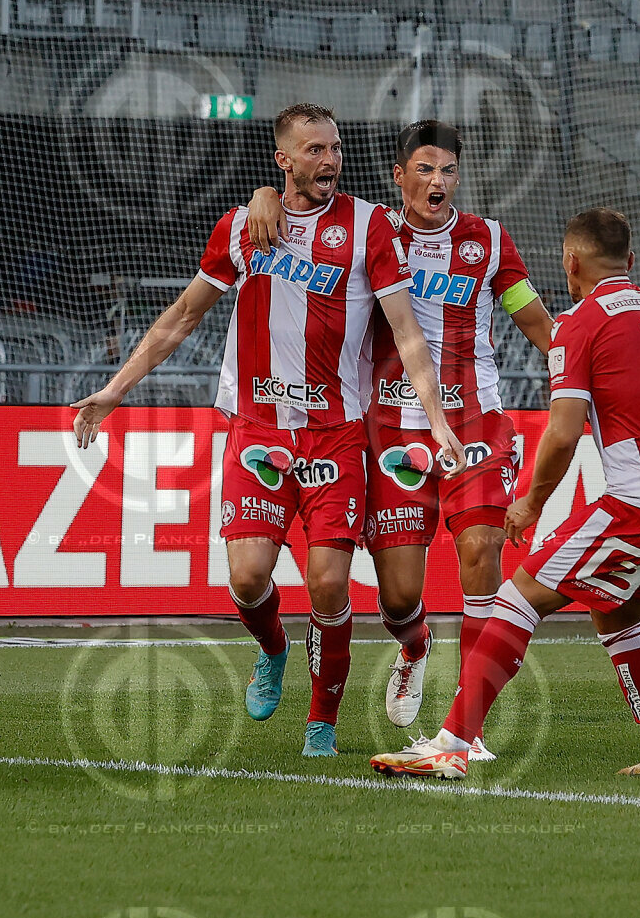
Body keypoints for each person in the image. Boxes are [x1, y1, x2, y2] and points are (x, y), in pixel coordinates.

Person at [71, 103, 465, 757]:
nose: (329, 160)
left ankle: (321, 722)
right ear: (283, 160)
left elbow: (405, 331)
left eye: (334, 147)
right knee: (249, 579)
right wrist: (116, 389)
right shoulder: (242, 227)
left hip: (335, 435)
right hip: (258, 434)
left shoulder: (368, 226)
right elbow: (181, 317)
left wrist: (439, 419)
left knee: (330, 584)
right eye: (313, 149)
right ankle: (274, 649)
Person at [368, 207, 640, 780]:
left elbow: (562, 433)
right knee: (615, 614)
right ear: (631, 263)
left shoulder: (579, 324)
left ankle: (452, 745)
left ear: (571, 264)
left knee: (516, 600)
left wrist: (531, 502)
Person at [248, 120, 553, 760]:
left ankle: (465, 730)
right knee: (400, 595)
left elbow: (531, 316)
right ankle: (413, 645)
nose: (437, 183)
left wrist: (580, 374)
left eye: (447, 171)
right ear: (399, 176)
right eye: (424, 170)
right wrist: (264, 196)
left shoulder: (490, 242)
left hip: (475, 420)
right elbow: (305, 210)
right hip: (388, 427)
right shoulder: (374, 233)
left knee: (480, 549)